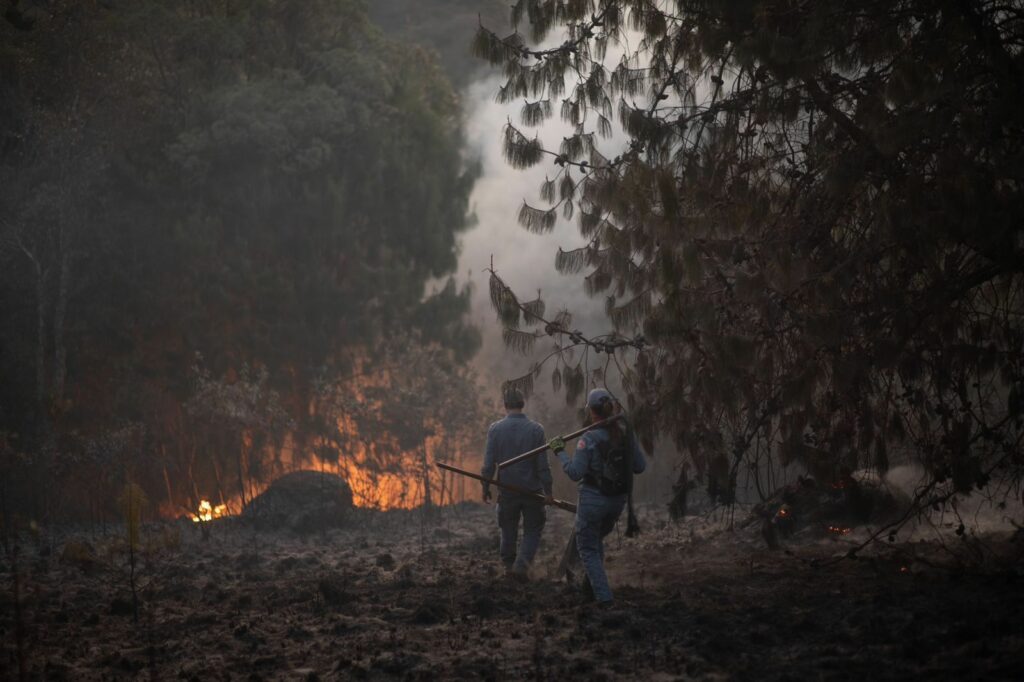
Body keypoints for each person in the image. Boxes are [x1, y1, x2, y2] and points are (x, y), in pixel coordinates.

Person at [548, 388, 645, 605]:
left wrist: (559, 451)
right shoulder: (626, 433)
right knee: (594, 541)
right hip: (616, 504)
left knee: (588, 548)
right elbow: (640, 466)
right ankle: (589, 589)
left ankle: (604, 599)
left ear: (591, 412)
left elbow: (574, 473)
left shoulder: (588, 438)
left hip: (593, 503)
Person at [481, 387, 553, 579]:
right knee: (532, 530)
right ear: (522, 404)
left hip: (507, 492)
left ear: (505, 406)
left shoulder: (495, 430)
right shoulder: (536, 429)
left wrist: (485, 487)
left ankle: (509, 567)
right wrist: (548, 491)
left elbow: (488, 465)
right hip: (533, 493)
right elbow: (542, 466)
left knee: (507, 529)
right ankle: (521, 568)